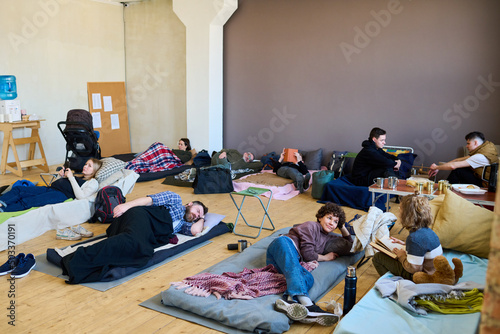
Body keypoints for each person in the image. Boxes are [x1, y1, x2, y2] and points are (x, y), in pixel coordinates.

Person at [60, 190, 208, 284]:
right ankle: (74, 260)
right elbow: (150, 200)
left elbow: (195, 231)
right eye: (197, 210)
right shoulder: (175, 200)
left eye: (198, 216)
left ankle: (82, 264)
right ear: (189, 204)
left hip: (148, 231)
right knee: (130, 241)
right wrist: (126, 206)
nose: (196, 215)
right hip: (141, 215)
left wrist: (202, 217)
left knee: (142, 252)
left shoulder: (183, 224)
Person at [267, 202, 353, 326]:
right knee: (294, 267)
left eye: (335, 222)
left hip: (290, 262)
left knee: (308, 278)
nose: (331, 223)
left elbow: (350, 245)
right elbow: (307, 254)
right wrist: (324, 257)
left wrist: (342, 226)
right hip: (282, 245)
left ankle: (290, 301)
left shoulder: (329, 237)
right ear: (320, 217)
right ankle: (309, 306)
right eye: (329, 218)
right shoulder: (311, 226)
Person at [0, 158, 102, 240]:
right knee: (19, 189)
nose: (85, 166)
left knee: (28, 201)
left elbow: (82, 197)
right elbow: (57, 183)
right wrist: (60, 176)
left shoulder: (92, 182)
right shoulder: (78, 176)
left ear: (95, 170)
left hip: (60, 195)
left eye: (89, 166)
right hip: (50, 188)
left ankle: (3, 210)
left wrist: (71, 177)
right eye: (86, 164)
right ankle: (1, 202)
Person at [372, 192, 442, 280]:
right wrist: (405, 245)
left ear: (407, 215)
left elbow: (414, 269)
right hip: (433, 271)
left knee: (378, 257)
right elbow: (421, 249)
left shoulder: (414, 238)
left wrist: (401, 256)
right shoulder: (428, 231)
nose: (398, 210)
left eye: (400, 208)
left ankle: (392, 282)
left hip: (423, 277)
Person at [428, 131, 498, 187]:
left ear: (475, 142)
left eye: (468, 143)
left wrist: (436, 167)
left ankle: (447, 191)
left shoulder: (480, 156)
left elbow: (453, 166)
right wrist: (438, 168)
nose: (467, 146)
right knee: (461, 168)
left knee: (458, 170)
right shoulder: (485, 149)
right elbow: (457, 160)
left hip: (485, 184)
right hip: (483, 180)